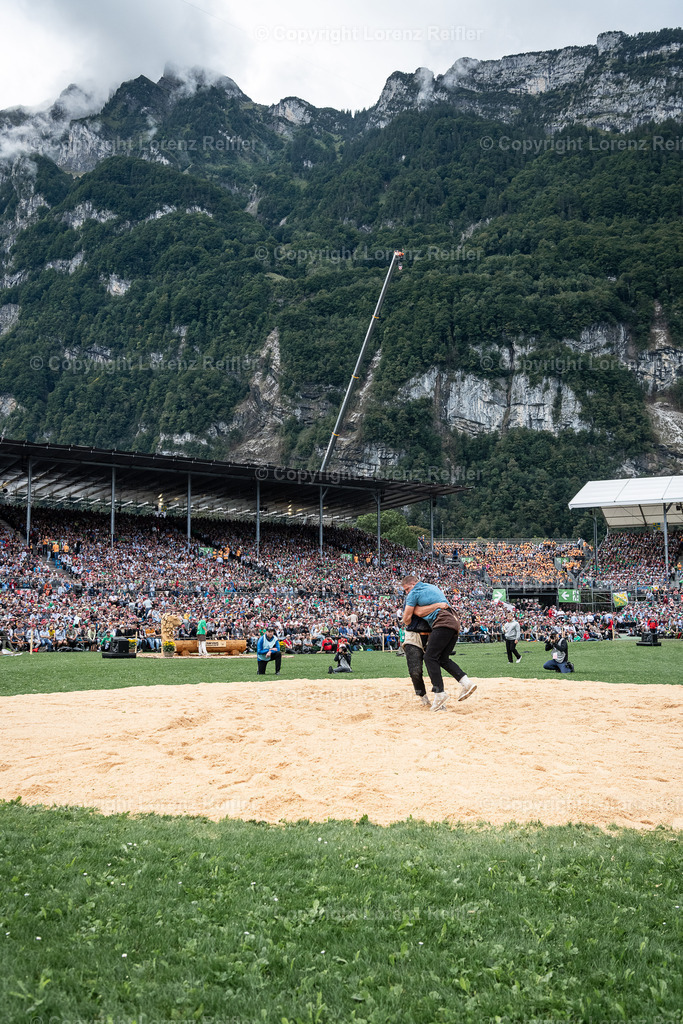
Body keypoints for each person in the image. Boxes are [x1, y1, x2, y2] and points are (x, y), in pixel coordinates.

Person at [401, 575, 476, 711]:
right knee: (436, 661)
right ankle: (465, 683)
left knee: (430, 658)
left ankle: (440, 694)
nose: (407, 592)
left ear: (413, 584)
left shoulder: (415, 593)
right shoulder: (432, 589)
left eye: (407, 589)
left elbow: (407, 618)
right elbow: (438, 607)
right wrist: (435, 606)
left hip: (440, 624)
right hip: (451, 622)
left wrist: (419, 610)